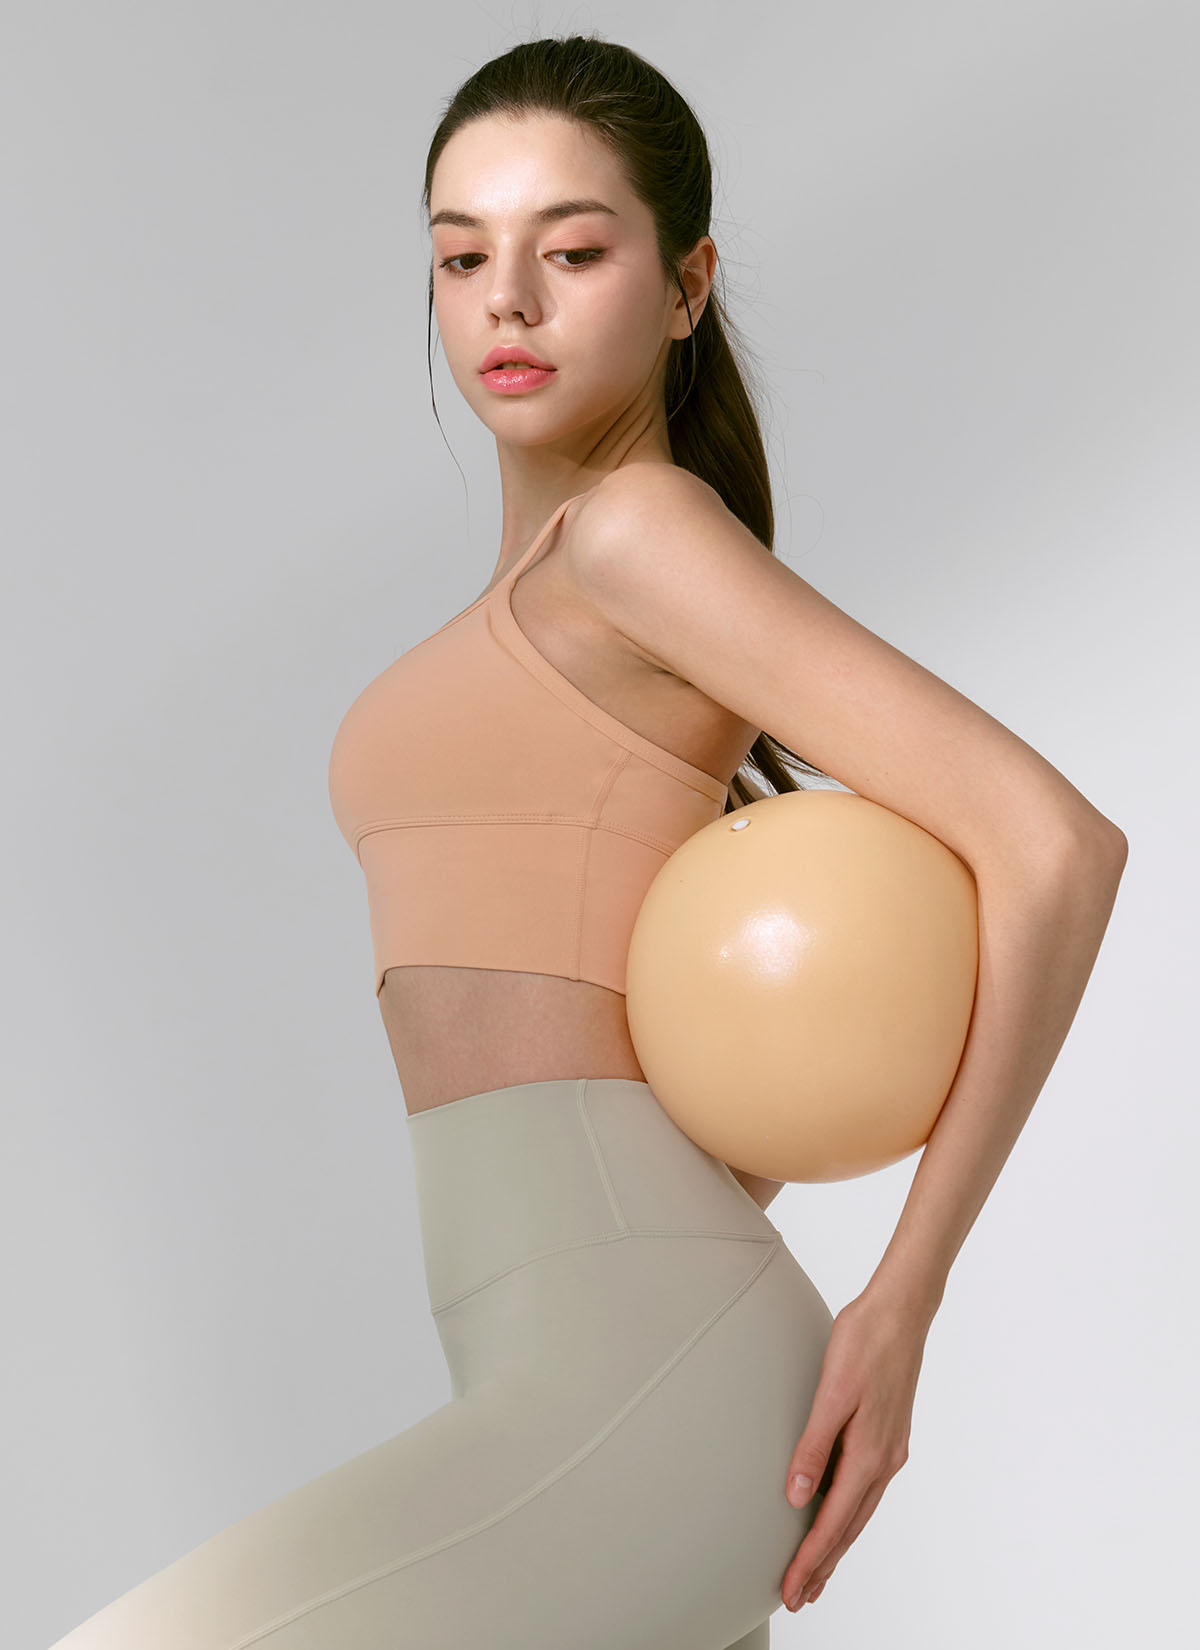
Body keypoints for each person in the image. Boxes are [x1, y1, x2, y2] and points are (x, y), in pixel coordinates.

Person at [49, 32, 1127, 1650]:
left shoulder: (638, 535)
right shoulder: (556, 579)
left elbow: (1053, 845)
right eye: (461, 256)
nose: (509, 301)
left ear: (686, 286)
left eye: (570, 252)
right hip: (594, 1369)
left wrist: (904, 1296)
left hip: (640, 1377)